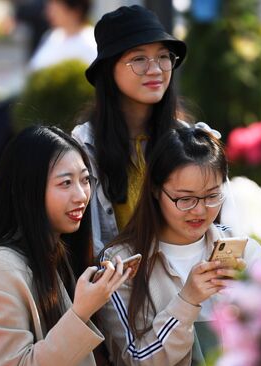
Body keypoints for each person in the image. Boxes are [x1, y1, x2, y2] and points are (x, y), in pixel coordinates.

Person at [0, 126, 130, 365]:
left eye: (85, 180)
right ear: (28, 189)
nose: (81, 195)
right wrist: (81, 311)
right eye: (65, 183)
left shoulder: (55, 253)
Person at [96, 126, 261, 365]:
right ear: (155, 189)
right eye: (185, 199)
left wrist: (246, 301)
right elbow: (134, 360)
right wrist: (187, 301)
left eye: (212, 196)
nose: (199, 210)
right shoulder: (120, 266)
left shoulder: (246, 251)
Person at [72, 5, 190, 256]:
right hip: (115, 288)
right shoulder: (84, 146)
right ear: (109, 69)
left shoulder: (189, 141)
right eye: (139, 59)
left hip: (185, 282)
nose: (156, 69)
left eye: (163, 56)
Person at [0, 0, 97, 172]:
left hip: (62, 109)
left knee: (6, 120)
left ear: (74, 10)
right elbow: (34, 71)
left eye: (55, 7)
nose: (48, 12)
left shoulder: (89, 41)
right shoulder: (53, 37)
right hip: (36, 101)